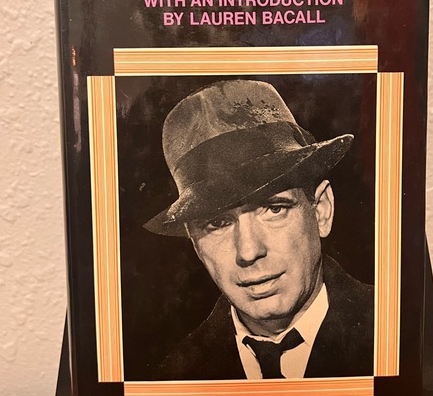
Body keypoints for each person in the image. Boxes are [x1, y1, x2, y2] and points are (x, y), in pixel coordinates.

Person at [144, 79, 373, 380]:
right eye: (217, 222)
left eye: (274, 208)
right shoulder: (173, 380)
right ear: (195, 242)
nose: (249, 251)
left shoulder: (395, 333)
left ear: (321, 210)